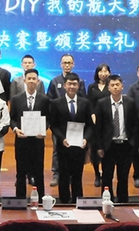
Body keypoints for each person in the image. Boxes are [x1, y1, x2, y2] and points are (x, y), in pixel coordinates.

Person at [49, 72, 94, 204]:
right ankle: (64, 201)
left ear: (78, 86)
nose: (72, 87)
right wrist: (62, 138)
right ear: (64, 85)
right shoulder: (56, 103)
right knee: (63, 175)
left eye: (74, 84)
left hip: (80, 146)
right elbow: (53, 125)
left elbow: (90, 125)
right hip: (63, 145)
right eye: (69, 84)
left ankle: (77, 200)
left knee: (77, 175)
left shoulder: (85, 103)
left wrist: (86, 139)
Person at [95, 74, 137, 203]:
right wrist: (99, 146)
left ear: (122, 86)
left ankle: (123, 201)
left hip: (125, 144)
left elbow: (135, 124)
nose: (115, 87)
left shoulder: (130, 102)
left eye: (117, 85)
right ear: (108, 88)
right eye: (112, 85)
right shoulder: (102, 103)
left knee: (123, 176)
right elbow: (98, 127)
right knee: (107, 176)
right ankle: (107, 200)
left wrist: (133, 142)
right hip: (109, 145)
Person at [10, 68, 50, 198]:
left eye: (34, 79)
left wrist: (44, 129)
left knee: (38, 172)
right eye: (29, 79)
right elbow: (12, 119)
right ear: (24, 80)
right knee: (21, 172)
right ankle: (20, 200)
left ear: (38, 81)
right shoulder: (16, 99)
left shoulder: (44, 100)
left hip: (38, 141)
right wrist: (16, 129)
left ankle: (40, 199)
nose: (31, 81)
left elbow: (48, 118)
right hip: (21, 141)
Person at [46, 53, 85, 186]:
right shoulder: (54, 81)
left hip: (75, 123)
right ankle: (56, 174)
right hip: (59, 123)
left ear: (73, 64)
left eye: (69, 63)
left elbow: (83, 101)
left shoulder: (80, 81)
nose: (67, 65)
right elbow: (49, 101)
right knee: (57, 149)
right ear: (61, 64)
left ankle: (72, 175)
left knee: (74, 149)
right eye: (65, 63)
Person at [87, 63, 111, 187]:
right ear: (97, 73)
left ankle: (107, 174)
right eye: (100, 71)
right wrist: (92, 115)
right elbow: (89, 103)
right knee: (95, 149)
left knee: (107, 149)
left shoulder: (111, 86)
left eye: (105, 71)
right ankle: (97, 174)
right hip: (94, 122)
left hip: (108, 122)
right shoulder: (92, 87)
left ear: (109, 73)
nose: (103, 73)